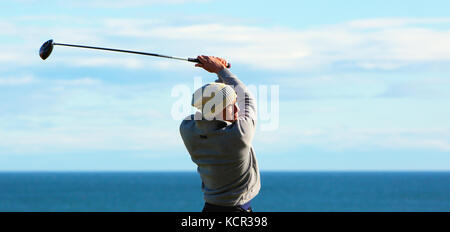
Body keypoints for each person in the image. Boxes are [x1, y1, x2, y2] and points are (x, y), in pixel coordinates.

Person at [179, 55, 261, 212]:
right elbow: (248, 99)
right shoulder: (238, 135)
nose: (237, 109)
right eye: (232, 106)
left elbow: (207, 111)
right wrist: (220, 70)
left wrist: (219, 76)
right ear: (219, 110)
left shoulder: (187, 130)